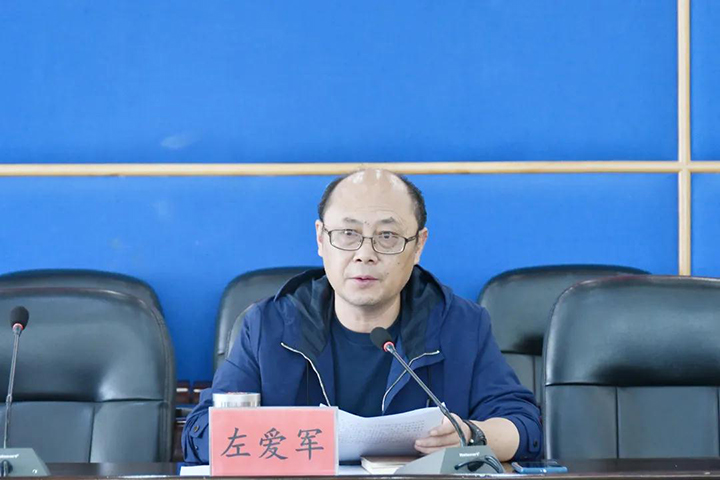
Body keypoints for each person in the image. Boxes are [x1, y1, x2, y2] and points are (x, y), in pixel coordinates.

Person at [182, 169, 542, 463]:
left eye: (387, 236)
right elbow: (200, 434)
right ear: (321, 239)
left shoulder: (460, 325)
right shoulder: (268, 326)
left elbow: (524, 428)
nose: (365, 254)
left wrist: (474, 434)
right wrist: (292, 441)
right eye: (348, 233)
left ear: (418, 245)